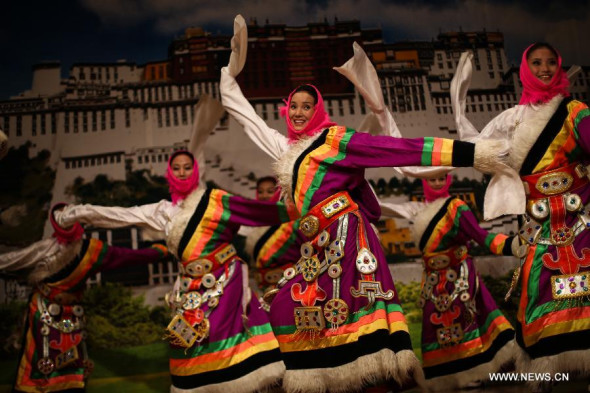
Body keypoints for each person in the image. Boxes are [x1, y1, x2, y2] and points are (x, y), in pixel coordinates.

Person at [220, 14, 508, 393]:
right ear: (285, 109)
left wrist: (472, 154)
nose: (300, 112)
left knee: (354, 318)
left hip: (348, 240)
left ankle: (381, 381)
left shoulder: (337, 140)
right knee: (292, 312)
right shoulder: (285, 151)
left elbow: (399, 149)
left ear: (318, 109)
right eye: (294, 105)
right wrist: (229, 78)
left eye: (308, 105)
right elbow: (248, 119)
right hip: (315, 249)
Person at [53, 97, 298, 393]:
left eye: (187, 167)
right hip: (189, 289)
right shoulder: (162, 211)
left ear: (195, 171)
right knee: (193, 349)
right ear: (170, 173)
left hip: (224, 281)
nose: (182, 172)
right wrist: (77, 213)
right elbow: (119, 215)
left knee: (234, 351)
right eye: (177, 168)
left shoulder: (213, 201)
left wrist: (299, 204)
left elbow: (257, 211)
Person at [454, 43, 590, 392]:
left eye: (550, 63)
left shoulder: (576, 112)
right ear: (525, 70)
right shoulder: (510, 119)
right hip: (540, 226)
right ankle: (548, 374)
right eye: (536, 63)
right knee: (539, 292)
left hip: (580, 223)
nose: (544, 69)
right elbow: (480, 148)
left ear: (559, 68)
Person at [0, 204, 168, 393]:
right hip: (43, 314)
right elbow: (10, 260)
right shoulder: (42, 250)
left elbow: (127, 256)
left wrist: (159, 251)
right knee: (40, 364)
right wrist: (159, 250)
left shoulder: (92, 251)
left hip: (71, 315)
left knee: (72, 367)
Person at [402, 174, 517, 391]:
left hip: (458, 277)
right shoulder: (420, 211)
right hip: (433, 281)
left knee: (464, 322)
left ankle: (471, 373)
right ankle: (444, 378)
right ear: (424, 182)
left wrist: (510, 244)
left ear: (448, 180)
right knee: (434, 327)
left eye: (440, 178)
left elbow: (480, 235)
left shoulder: (457, 207)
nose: (436, 182)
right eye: (432, 179)